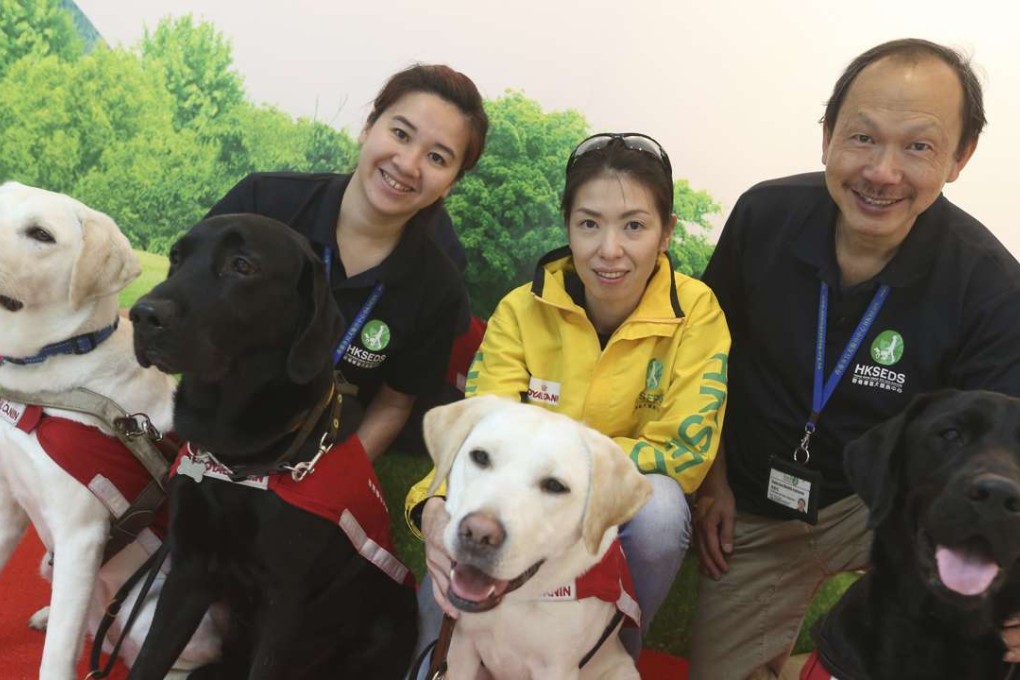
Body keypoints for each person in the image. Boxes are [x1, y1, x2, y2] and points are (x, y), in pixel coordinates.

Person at [689, 38, 1020, 680]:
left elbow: (1007, 457)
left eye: (918, 146)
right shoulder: (764, 216)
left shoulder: (993, 287)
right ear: (827, 136)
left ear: (961, 156)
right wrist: (713, 481)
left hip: (904, 509)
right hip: (760, 498)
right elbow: (701, 361)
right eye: (863, 138)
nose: (883, 173)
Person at [404, 132, 731, 669]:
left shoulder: (698, 312)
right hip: (511, 504)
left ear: (666, 232)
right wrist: (435, 507)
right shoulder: (520, 309)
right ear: (568, 226)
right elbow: (474, 435)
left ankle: (605, 650)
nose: (609, 250)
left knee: (663, 506)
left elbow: (684, 452)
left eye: (634, 226)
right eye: (589, 224)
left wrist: (571, 473)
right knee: (440, 594)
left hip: (602, 516)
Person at [204, 63, 488, 463]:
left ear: (452, 182)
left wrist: (335, 477)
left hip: (320, 445)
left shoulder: (439, 285)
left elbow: (393, 404)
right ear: (368, 126)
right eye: (400, 134)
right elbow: (185, 314)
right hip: (211, 419)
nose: (407, 164)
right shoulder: (262, 204)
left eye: (437, 158)